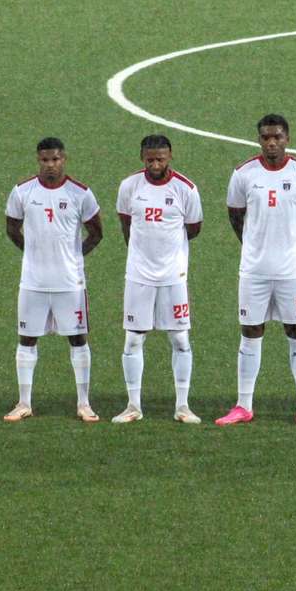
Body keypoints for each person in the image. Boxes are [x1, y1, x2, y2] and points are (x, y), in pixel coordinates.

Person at [217, 114, 296, 427]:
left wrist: (295, 248)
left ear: (287, 138)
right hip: (254, 271)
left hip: (292, 271)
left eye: (277, 137)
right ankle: (243, 405)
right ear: (259, 140)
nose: (271, 143)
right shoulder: (243, 174)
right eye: (266, 137)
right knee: (251, 332)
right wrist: (254, 245)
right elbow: (236, 216)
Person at [4, 137, 103, 423]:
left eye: (56, 159)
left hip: (69, 283)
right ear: (39, 160)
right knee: (27, 339)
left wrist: (74, 256)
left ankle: (84, 403)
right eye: (45, 160)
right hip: (33, 282)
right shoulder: (23, 191)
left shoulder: (80, 193)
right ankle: (24, 402)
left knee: (78, 338)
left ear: (64, 159)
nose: (50, 165)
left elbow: (96, 232)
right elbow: (12, 228)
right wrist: (31, 253)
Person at [112, 134, 203, 425]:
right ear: (142, 157)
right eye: (150, 159)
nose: (155, 164)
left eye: (160, 159)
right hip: (138, 276)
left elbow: (193, 228)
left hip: (173, 276)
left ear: (170, 156)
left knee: (180, 338)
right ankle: (133, 406)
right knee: (133, 339)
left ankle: (183, 406)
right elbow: (126, 224)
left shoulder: (186, 189)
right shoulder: (129, 186)